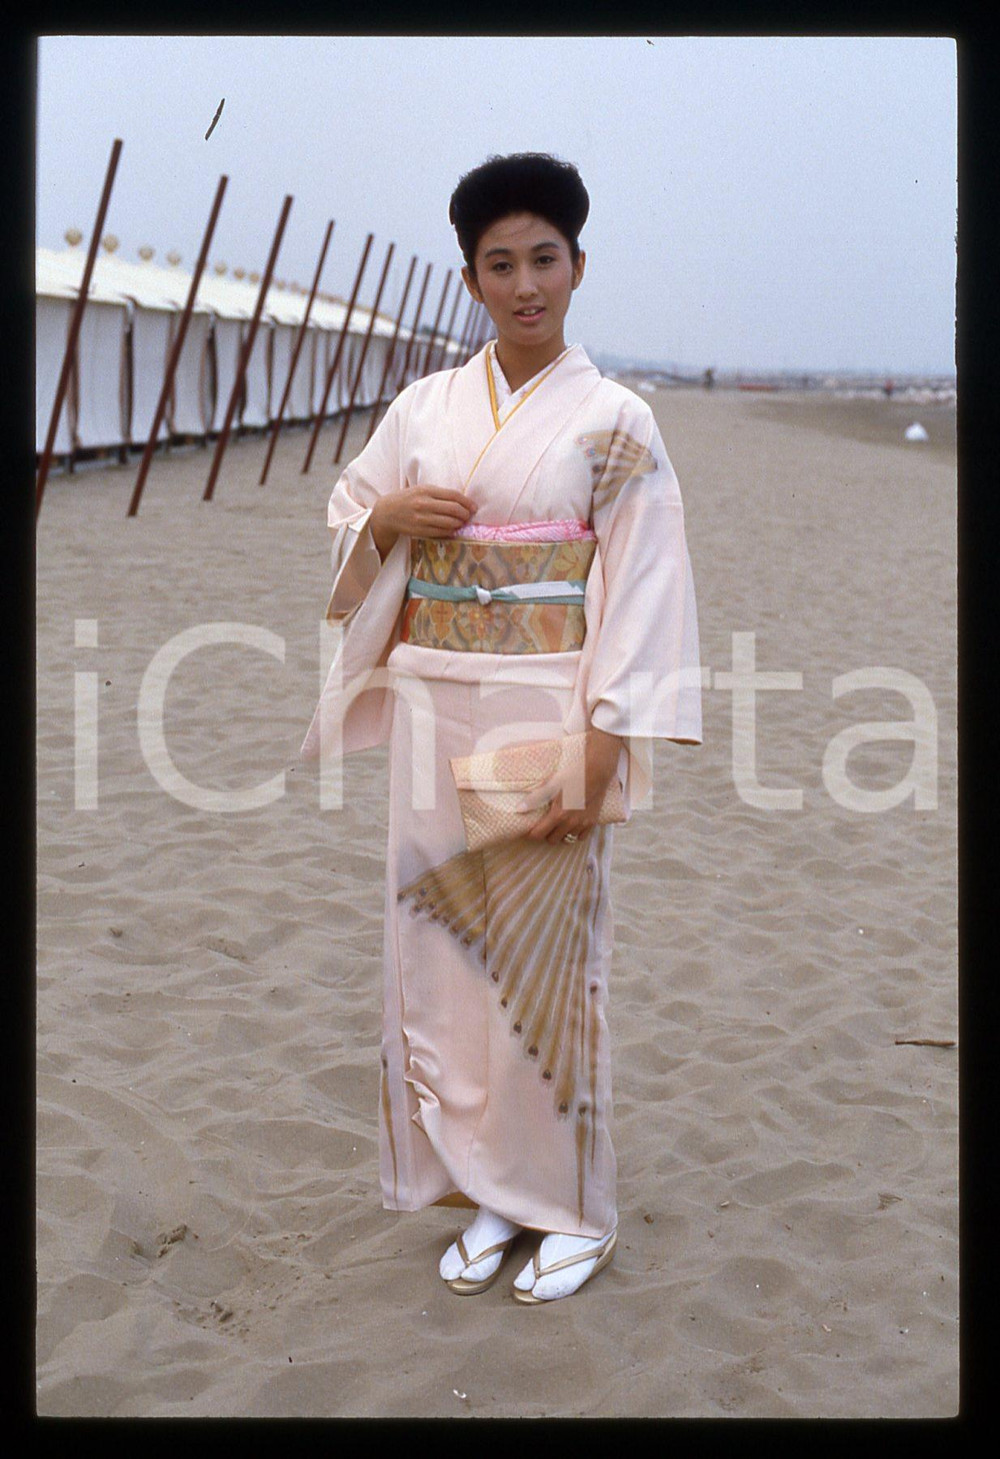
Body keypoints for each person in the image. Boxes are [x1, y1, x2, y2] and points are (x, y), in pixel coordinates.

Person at [301, 152, 702, 1303]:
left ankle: (570, 1202)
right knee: (439, 954)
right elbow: (346, 511)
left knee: (541, 956)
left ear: (578, 267)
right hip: (431, 699)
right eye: (499, 264)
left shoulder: (617, 420)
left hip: (548, 706)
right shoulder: (425, 406)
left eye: (544, 259)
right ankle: (487, 1190)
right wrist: (383, 517)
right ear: (471, 278)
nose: (524, 283)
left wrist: (606, 732)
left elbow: (644, 579)